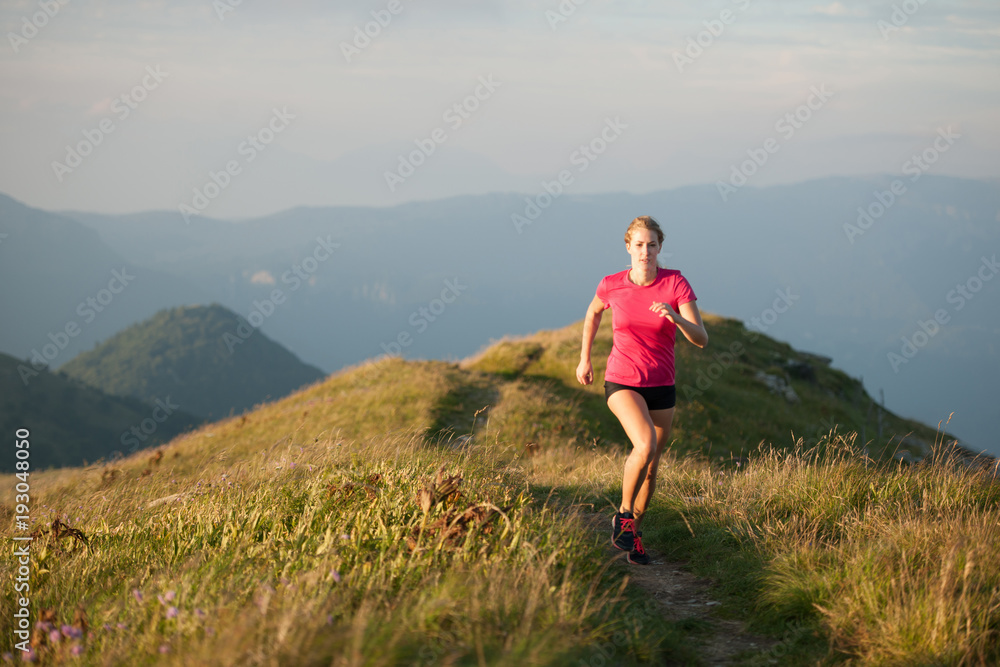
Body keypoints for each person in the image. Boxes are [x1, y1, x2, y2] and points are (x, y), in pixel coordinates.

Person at [575, 216, 708, 565]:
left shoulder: (675, 284)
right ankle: (622, 516)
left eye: (652, 245)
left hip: (662, 384)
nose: (645, 251)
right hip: (622, 380)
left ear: (660, 248)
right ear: (628, 247)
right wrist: (584, 359)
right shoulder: (611, 284)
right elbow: (592, 313)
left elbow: (702, 339)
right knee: (645, 443)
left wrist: (676, 318)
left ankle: (633, 534)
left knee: (652, 465)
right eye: (639, 244)